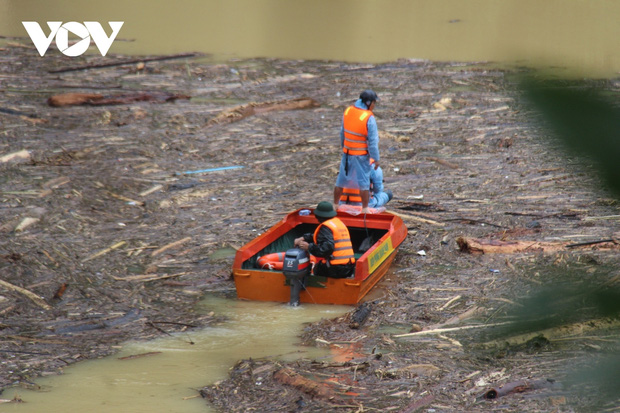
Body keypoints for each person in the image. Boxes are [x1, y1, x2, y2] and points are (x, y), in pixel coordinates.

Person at [334, 90, 380, 214]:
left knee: (341, 180)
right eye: (374, 103)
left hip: (347, 153)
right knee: (364, 183)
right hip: (360, 156)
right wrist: (376, 158)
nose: (374, 106)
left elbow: (342, 133)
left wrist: (344, 147)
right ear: (368, 103)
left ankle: (335, 205)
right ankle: (365, 209)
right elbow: (373, 142)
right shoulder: (368, 117)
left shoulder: (348, 111)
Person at [294, 201, 356, 278]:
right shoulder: (337, 223)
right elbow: (323, 236)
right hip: (349, 266)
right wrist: (304, 237)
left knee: (315, 269)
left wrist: (309, 247)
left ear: (318, 216)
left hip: (336, 268)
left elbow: (326, 249)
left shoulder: (326, 227)